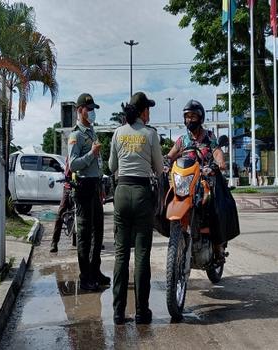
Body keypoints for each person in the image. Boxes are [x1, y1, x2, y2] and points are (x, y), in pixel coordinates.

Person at [109, 92, 163, 325]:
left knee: (121, 254)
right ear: (143, 112)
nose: (149, 112)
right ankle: (142, 312)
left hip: (121, 192)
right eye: (148, 109)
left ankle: (118, 312)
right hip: (142, 194)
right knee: (142, 255)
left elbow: (112, 166)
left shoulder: (118, 133)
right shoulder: (150, 134)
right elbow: (159, 168)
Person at [166, 99, 227, 259]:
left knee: (214, 206)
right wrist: (165, 162)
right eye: (187, 116)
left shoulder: (209, 136)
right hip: (185, 181)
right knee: (164, 198)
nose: (189, 120)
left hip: (204, 180)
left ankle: (218, 245)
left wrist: (219, 162)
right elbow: (171, 155)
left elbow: (217, 151)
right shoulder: (182, 140)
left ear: (200, 118)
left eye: (193, 116)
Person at [68, 93, 110, 291]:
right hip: (83, 187)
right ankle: (85, 277)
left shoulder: (91, 132)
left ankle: (95, 270)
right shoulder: (75, 135)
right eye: (89, 109)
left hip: (95, 185)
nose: (92, 113)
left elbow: (97, 163)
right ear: (80, 110)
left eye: (93, 109)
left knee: (98, 232)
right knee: (84, 234)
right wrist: (91, 154)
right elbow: (74, 164)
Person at [51, 156, 72, 253]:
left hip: (82, 188)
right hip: (68, 187)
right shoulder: (70, 155)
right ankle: (54, 242)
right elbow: (66, 171)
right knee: (60, 213)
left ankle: (95, 242)